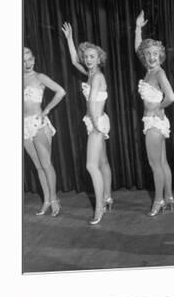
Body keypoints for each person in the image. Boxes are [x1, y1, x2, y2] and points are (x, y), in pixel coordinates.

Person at [62, 22, 113, 225]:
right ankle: (108, 197)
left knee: (91, 165)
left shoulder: (98, 76)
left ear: (99, 58)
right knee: (103, 162)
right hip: (96, 120)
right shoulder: (90, 73)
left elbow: (92, 102)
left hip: (96, 122)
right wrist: (69, 39)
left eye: (92, 57)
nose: (88, 60)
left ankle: (100, 206)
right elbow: (75, 61)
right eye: (87, 57)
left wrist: (94, 125)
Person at [134, 11, 174, 216]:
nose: (151, 57)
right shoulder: (149, 70)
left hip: (154, 122)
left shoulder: (158, 72)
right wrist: (138, 28)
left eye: (155, 54)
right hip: (155, 121)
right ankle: (168, 198)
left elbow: (171, 97)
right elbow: (137, 48)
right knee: (163, 162)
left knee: (154, 164)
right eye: (148, 54)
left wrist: (158, 108)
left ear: (160, 56)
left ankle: (158, 201)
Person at [23, 47, 66, 217]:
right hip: (23, 126)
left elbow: (61, 91)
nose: (27, 63)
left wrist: (47, 109)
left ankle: (55, 200)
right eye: (23, 60)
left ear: (34, 59)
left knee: (46, 164)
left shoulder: (39, 77)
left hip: (39, 124)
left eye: (29, 59)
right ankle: (46, 200)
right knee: (38, 166)